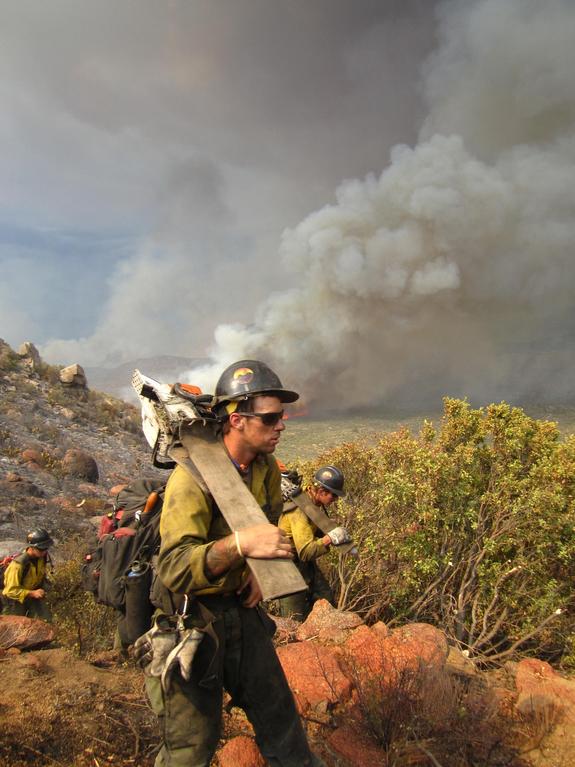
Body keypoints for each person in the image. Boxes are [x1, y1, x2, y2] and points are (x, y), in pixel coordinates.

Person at [140, 359, 325, 767]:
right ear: (238, 420)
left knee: (282, 722)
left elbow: (270, 525)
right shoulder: (191, 480)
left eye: (283, 416)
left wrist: (259, 572)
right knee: (191, 747)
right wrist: (239, 545)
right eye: (271, 417)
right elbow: (173, 567)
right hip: (194, 620)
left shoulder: (266, 470)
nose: (281, 425)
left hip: (242, 613)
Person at [277, 466, 348, 621]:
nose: (335, 500)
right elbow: (306, 551)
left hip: (304, 565)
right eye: (334, 496)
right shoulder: (299, 510)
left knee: (326, 600)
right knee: (293, 618)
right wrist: (329, 538)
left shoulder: (313, 502)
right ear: (322, 491)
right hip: (289, 566)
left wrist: (328, 527)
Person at [2, 528, 54, 620]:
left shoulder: (41, 557)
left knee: (45, 621)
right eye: (42, 548)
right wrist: (32, 593)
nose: (45, 551)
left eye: (46, 548)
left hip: (32, 596)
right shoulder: (18, 565)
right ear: (32, 547)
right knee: (17, 629)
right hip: (14, 601)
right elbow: (9, 591)